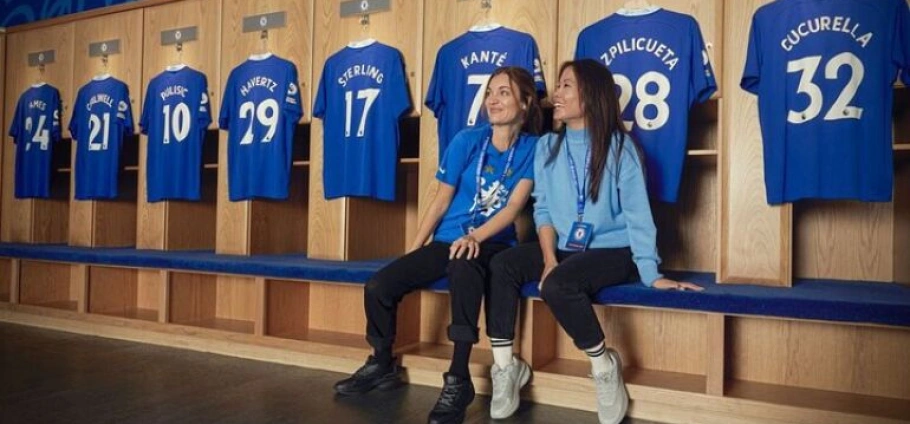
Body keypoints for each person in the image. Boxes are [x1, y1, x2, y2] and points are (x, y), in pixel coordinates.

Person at [485, 59, 703, 424]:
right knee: (502, 264)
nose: (557, 93)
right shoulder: (547, 148)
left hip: (614, 251)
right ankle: (506, 368)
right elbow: (544, 212)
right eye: (558, 85)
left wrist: (651, 273)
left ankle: (604, 366)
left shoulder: (620, 147)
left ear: (592, 94)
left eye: (566, 85)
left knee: (558, 284)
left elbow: (637, 214)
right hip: (566, 248)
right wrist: (548, 256)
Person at [333, 66, 543, 424]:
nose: (492, 99)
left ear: (525, 102)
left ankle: (458, 378)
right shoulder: (466, 140)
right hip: (448, 239)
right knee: (379, 285)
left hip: (491, 241)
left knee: (465, 266)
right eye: (490, 92)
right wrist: (415, 248)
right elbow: (441, 201)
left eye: (504, 93)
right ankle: (382, 361)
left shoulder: (534, 148)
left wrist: (476, 236)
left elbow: (512, 208)